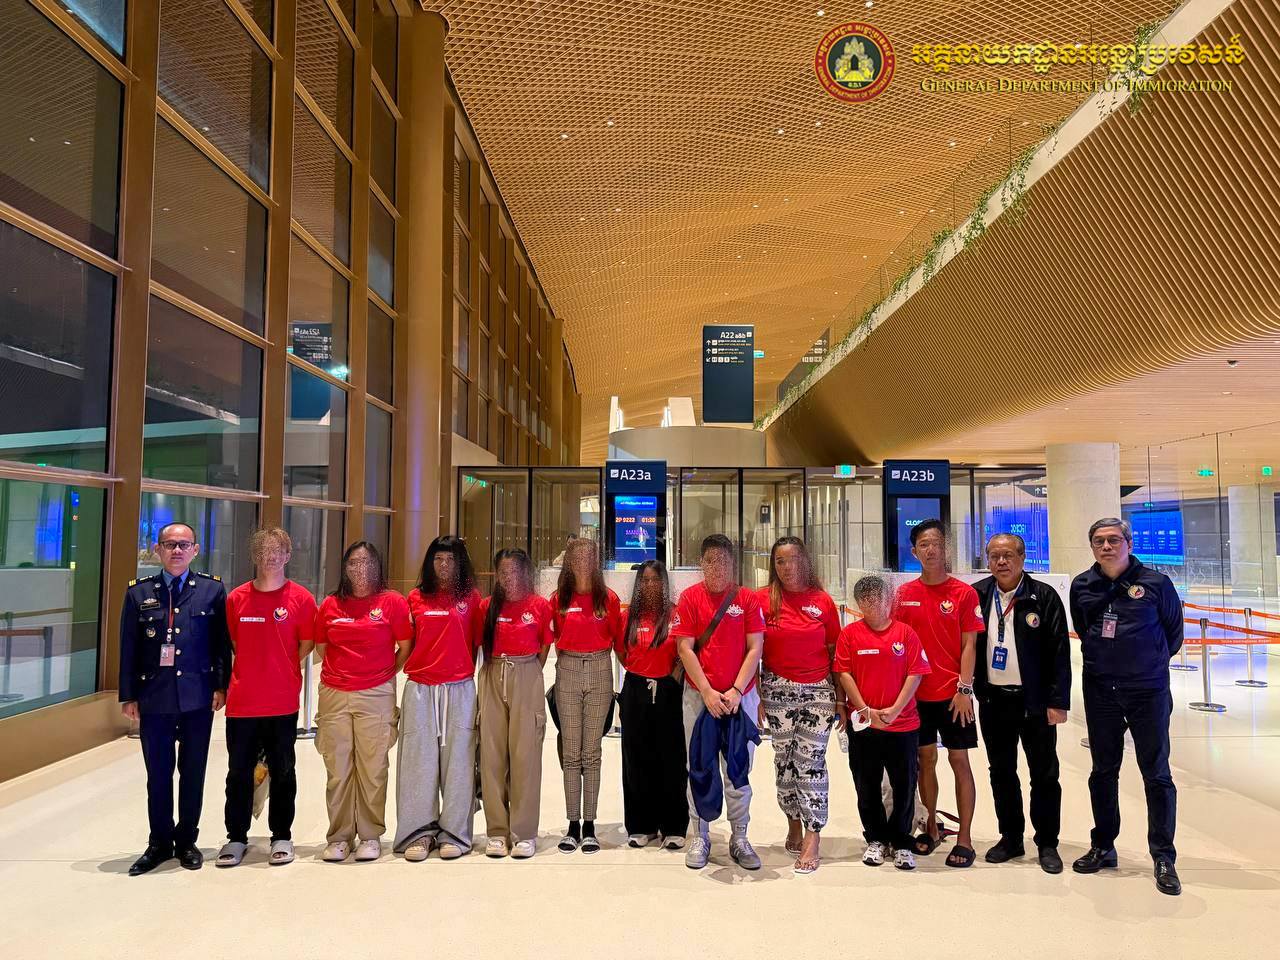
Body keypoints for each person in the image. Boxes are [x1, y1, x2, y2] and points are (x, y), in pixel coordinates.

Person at [1070, 518, 1184, 896]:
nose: (1107, 546)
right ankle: (1103, 845)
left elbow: (1173, 634)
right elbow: (1084, 629)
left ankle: (1163, 856)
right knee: (1103, 770)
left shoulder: (1156, 584)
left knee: (1156, 772)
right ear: (1092, 547)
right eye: (1099, 541)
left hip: (1147, 690)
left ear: (1129, 543)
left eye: (1114, 540)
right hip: (1101, 689)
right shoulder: (1083, 585)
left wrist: (1145, 664)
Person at [119, 521, 230, 875]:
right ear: (158, 550)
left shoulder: (212, 590)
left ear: (195, 550)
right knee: (158, 774)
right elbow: (128, 648)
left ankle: (186, 841)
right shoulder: (138, 593)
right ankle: (159, 843)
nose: (177, 550)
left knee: (193, 771)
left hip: (198, 697)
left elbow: (221, 645)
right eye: (170, 544)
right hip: (155, 697)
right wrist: (128, 695)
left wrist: (221, 686)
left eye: (184, 545)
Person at [217, 526, 318, 868]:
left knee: (284, 770)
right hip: (243, 702)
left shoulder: (301, 599)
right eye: (263, 551)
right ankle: (236, 837)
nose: (270, 557)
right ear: (254, 556)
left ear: (288, 555)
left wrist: (281, 667)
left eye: (277, 551)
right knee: (238, 771)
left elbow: (305, 644)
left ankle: (281, 835)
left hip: (282, 700)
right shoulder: (237, 599)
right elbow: (235, 643)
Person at [972, 533, 1071, 874]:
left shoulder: (1043, 596)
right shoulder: (978, 594)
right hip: (994, 700)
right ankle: (1011, 837)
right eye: (994, 556)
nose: (1001, 562)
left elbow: (1060, 652)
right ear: (987, 560)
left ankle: (1047, 842)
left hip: (1035, 703)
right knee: (1001, 772)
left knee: (1044, 774)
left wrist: (1058, 701)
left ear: (1022, 558)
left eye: (1008, 555)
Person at [313, 541, 412, 863]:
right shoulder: (331, 604)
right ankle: (340, 836)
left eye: (367, 562)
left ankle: (370, 834)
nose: (360, 569)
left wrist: (384, 674)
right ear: (345, 567)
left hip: (376, 694)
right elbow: (322, 648)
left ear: (378, 566)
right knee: (338, 768)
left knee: (373, 768)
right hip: (334, 694)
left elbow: (405, 645)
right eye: (353, 563)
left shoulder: (392, 602)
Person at [892, 518, 983, 868]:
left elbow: (969, 645)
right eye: (924, 545)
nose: (931, 550)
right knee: (924, 760)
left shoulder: (963, 593)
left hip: (954, 696)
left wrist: (964, 688)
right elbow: (898, 644)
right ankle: (930, 826)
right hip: (917, 697)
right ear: (914, 551)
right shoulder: (904, 595)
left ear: (946, 548)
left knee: (959, 761)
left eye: (937, 543)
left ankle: (965, 838)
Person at [671, 533, 766, 870]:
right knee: (700, 766)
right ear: (702, 564)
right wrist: (708, 691)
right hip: (700, 699)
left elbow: (755, 647)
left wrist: (737, 690)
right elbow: (685, 648)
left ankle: (740, 836)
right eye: (710, 561)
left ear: (732, 564)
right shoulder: (690, 598)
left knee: (738, 769)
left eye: (723, 561)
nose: (717, 568)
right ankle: (700, 835)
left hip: (741, 698)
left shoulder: (747, 599)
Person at [395, 536, 483, 862]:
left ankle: (455, 833)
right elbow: (406, 645)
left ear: (460, 564)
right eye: (438, 559)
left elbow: (478, 645)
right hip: (420, 689)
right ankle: (418, 833)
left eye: (450, 560)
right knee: (418, 764)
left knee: (459, 765)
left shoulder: (471, 599)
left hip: (459, 689)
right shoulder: (416, 598)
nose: (444, 565)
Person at [756, 536, 841, 874]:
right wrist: (756, 696)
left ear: (804, 561)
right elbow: (753, 651)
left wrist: (842, 700)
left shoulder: (822, 601)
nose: (787, 567)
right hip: (776, 690)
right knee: (784, 763)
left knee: (810, 762)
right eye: (780, 561)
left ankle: (812, 835)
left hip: (818, 691)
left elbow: (837, 653)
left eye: (792, 559)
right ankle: (792, 820)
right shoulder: (762, 600)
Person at [834, 575, 930, 870]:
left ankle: (901, 841)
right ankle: (875, 837)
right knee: (867, 785)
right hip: (865, 726)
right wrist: (865, 709)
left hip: (902, 726)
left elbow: (916, 672)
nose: (872, 604)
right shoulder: (850, 635)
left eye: (877, 598)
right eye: (866, 599)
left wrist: (896, 709)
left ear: (889, 600)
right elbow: (844, 673)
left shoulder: (906, 634)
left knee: (904, 785)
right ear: (859, 603)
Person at [478, 548, 554, 859]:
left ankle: (523, 832)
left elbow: (545, 647)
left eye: (515, 571)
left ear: (525, 573)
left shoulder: (539, 606)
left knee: (525, 755)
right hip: (493, 673)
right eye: (503, 572)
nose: (509, 577)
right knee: (492, 755)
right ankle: (497, 831)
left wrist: (526, 673)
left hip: (526, 673)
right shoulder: (486, 607)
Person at [550, 537, 623, 853]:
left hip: (599, 668)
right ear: (569, 562)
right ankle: (572, 824)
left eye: (588, 558)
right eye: (576, 558)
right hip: (567, 668)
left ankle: (590, 824)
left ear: (596, 562)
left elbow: (618, 641)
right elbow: (553, 637)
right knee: (571, 752)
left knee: (592, 752)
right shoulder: (559, 599)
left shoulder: (608, 599)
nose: (582, 563)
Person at [616, 560, 688, 849]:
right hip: (636, 690)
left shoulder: (676, 614)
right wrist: (640, 671)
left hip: (669, 691)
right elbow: (621, 651)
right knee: (636, 759)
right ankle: (641, 825)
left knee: (671, 759)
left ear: (664, 583)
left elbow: (686, 649)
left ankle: (673, 825)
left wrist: (671, 675)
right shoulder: (628, 617)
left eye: (655, 580)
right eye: (644, 580)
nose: (650, 585)